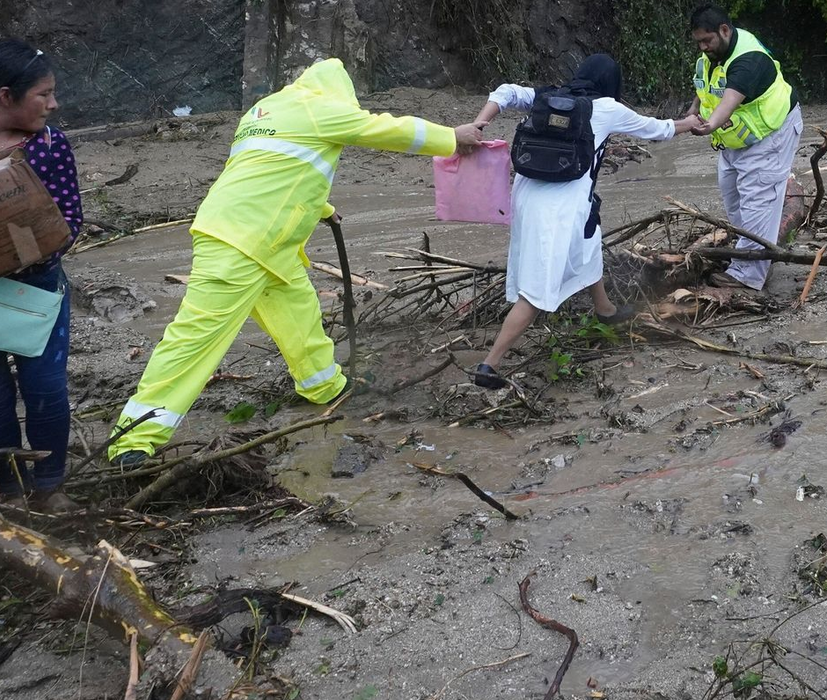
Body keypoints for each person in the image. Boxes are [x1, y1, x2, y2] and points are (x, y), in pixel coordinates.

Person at [108, 58, 483, 467]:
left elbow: (276, 171)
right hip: (244, 243)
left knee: (299, 314)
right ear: (340, 92)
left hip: (259, 240)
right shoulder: (319, 109)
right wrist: (451, 137)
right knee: (195, 339)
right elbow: (383, 129)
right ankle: (133, 439)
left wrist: (323, 209)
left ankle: (324, 387)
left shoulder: (265, 110)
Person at [469, 54, 700, 387]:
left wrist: (480, 123)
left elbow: (505, 91)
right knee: (538, 288)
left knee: (588, 242)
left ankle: (605, 309)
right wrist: (689, 123)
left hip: (527, 195)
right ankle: (489, 365)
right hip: (560, 207)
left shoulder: (548, 96)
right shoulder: (605, 108)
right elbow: (657, 130)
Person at [0, 40, 83, 512]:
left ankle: (50, 486)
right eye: (43, 94)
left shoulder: (50, 147)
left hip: (38, 288)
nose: (53, 104)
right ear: (5, 96)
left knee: (45, 387)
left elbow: (69, 219)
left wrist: (24, 255)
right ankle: (9, 490)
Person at [687, 4, 803, 290]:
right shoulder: (712, 55)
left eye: (707, 41)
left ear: (724, 30)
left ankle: (747, 277)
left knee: (757, 201)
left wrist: (707, 126)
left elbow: (728, 102)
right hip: (736, 140)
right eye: (698, 42)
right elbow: (705, 88)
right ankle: (751, 252)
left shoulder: (748, 59)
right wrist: (693, 110)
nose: (703, 47)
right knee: (733, 198)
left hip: (770, 135)